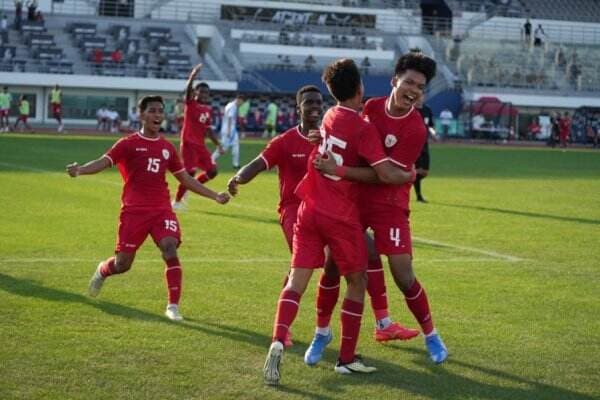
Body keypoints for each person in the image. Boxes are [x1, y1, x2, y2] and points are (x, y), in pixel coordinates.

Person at [262, 59, 416, 385]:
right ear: (360, 89)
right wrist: (409, 174)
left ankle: (278, 338)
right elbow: (385, 173)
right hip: (340, 215)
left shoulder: (330, 116)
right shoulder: (362, 127)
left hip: (308, 209)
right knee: (357, 282)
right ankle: (346, 359)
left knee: (296, 281)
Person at [313, 52, 448, 365]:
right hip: (355, 201)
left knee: (404, 275)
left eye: (421, 86)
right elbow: (348, 141)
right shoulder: (369, 108)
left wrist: (340, 170)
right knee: (334, 263)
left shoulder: (414, 128)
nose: (414, 90)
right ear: (394, 81)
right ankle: (323, 332)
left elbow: (386, 177)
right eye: (409, 82)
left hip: (390, 203)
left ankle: (431, 335)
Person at [65, 95, 230, 322]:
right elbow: (103, 162)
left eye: (160, 111)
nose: (157, 115)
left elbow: (185, 179)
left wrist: (214, 195)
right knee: (123, 264)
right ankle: (103, 270)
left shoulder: (166, 148)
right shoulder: (127, 144)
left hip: (161, 209)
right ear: (141, 115)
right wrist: (81, 170)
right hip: (134, 211)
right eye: (152, 111)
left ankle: (173, 306)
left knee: (169, 247)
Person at [172, 64, 224, 211]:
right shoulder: (191, 104)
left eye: (207, 93)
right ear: (195, 93)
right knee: (189, 172)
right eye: (201, 92)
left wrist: (218, 144)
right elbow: (188, 91)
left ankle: (189, 187)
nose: (204, 95)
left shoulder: (207, 110)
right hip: (188, 143)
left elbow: (208, 131)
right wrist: (193, 76)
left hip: (200, 146)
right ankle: (176, 201)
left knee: (212, 171)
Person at [414, 97, 437, 203]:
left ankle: (405, 183)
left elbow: (430, 126)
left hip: (425, 144)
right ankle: (419, 196)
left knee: (424, 172)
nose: (420, 98)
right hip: (414, 144)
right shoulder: (410, 110)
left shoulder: (427, 109)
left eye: (421, 95)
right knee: (417, 170)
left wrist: (433, 134)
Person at [212, 94, 244, 169]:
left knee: (236, 146)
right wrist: (229, 131)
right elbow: (229, 118)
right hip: (228, 130)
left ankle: (235, 164)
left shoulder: (230, 105)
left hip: (231, 130)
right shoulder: (232, 106)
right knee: (223, 147)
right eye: (242, 102)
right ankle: (211, 160)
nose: (241, 104)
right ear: (239, 100)